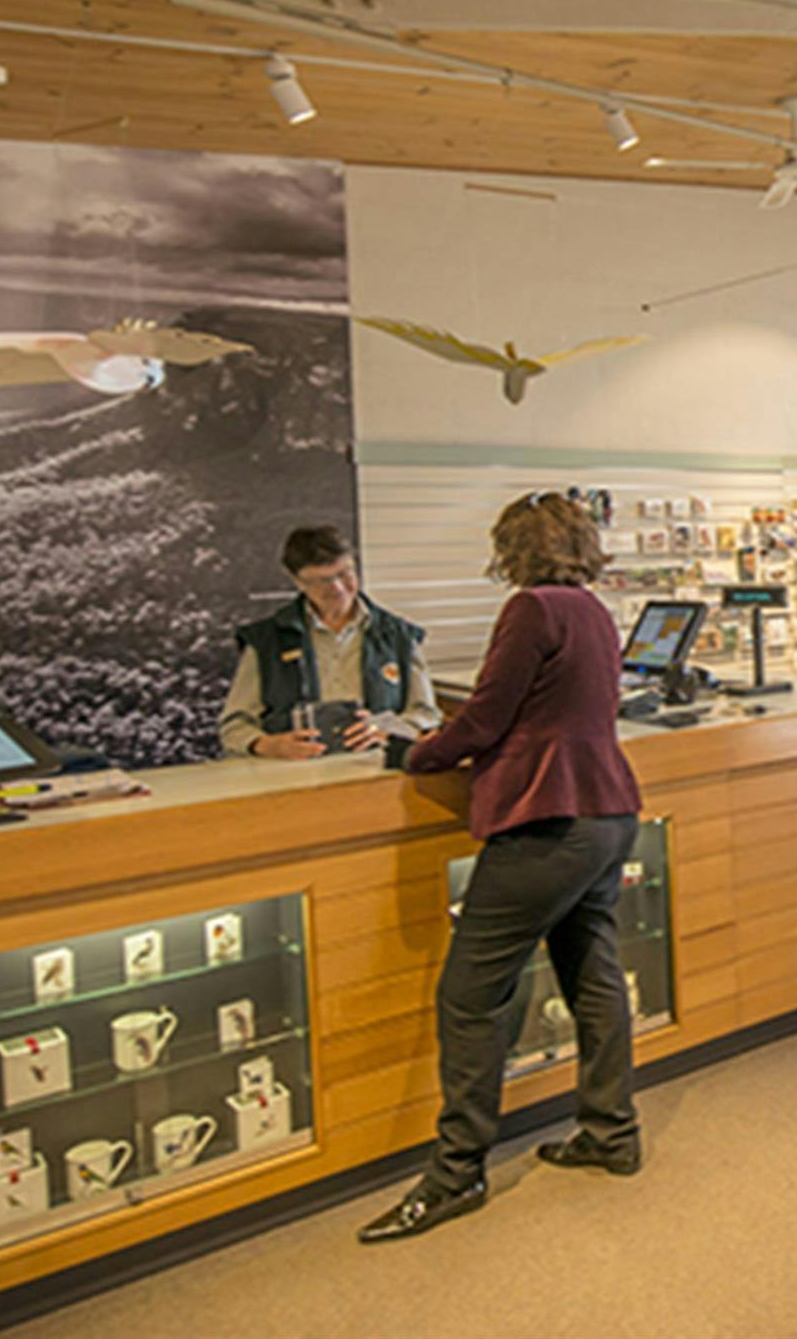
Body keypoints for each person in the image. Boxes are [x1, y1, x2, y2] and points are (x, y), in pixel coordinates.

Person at [358, 492, 644, 1245]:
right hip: (608, 815)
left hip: (547, 821)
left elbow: (486, 718)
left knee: (470, 994)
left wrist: (411, 752)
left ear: (513, 546)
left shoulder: (531, 609)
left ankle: (456, 1175)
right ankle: (611, 1131)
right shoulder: (594, 609)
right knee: (594, 975)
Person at [219, 525, 440, 759]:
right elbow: (234, 725)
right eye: (322, 580)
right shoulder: (266, 641)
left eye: (344, 573)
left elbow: (424, 713)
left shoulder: (399, 636)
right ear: (297, 581)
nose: (337, 588)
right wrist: (266, 745)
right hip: (290, 776)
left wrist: (389, 730)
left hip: (378, 771)